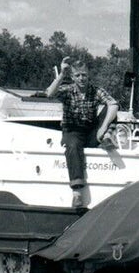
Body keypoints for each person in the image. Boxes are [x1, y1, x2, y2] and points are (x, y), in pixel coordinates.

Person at [44, 56, 118, 209]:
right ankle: (77, 192)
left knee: (113, 110)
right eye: (77, 75)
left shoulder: (95, 90)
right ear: (73, 77)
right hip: (72, 130)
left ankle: (106, 136)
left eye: (84, 74)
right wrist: (62, 75)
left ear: (88, 75)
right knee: (72, 146)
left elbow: (113, 104)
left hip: (91, 130)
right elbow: (50, 94)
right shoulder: (67, 90)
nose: (81, 78)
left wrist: (103, 127)